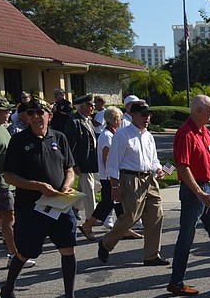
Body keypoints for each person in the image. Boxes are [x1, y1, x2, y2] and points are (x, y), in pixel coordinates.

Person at [1, 98, 89, 298]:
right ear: (27, 117)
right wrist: (37, 186)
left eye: (41, 112)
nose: (36, 116)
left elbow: (69, 167)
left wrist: (67, 185)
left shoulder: (59, 137)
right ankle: (8, 289)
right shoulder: (19, 141)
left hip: (60, 204)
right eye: (32, 113)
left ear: (49, 115)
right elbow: (9, 175)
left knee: (68, 249)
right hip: (31, 207)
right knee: (26, 252)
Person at [167, 95, 210, 296]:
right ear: (198, 110)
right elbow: (182, 166)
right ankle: (176, 282)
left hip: (209, 191)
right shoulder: (185, 133)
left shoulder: (206, 132)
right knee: (186, 237)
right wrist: (199, 193)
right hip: (194, 192)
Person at [97, 100, 170, 266]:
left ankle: (151, 255)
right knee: (130, 217)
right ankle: (106, 243)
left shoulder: (149, 136)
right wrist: (114, 186)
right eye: (144, 115)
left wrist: (158, 169)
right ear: (133, 115)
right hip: (130, 179)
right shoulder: (122, 135)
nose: (147, 118)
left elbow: (154, 160)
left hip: (149, 179)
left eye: (149, 115)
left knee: (156, 216)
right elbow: (113, 163)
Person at [78, 106, 141, 241]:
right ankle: (87, 225)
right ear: (114, 119)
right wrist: (113, 177)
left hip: (110, 175)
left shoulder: (112, 133)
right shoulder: (107, 135)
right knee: (108, 202)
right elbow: (107, 158)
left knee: (117, 202)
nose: (121, 120)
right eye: (120, 118)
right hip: (108, 176)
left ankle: (124, 229)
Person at [0, 96, 35, 269]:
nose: (10, 113)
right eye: (6, 110)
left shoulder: (2, 128)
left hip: (8, 181)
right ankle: (14, 254)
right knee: (9, 217)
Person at [65, 94, 99, 234]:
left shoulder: (88, 121)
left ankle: (73, 206)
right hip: (83, 164)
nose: (92, 108)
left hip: (92, 163)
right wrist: (75, 164)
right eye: (90, 105)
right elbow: (70, 146)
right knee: (90, 190)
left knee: (97, 185)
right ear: (82, 107)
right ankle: (90, 220)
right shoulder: (75, 122)